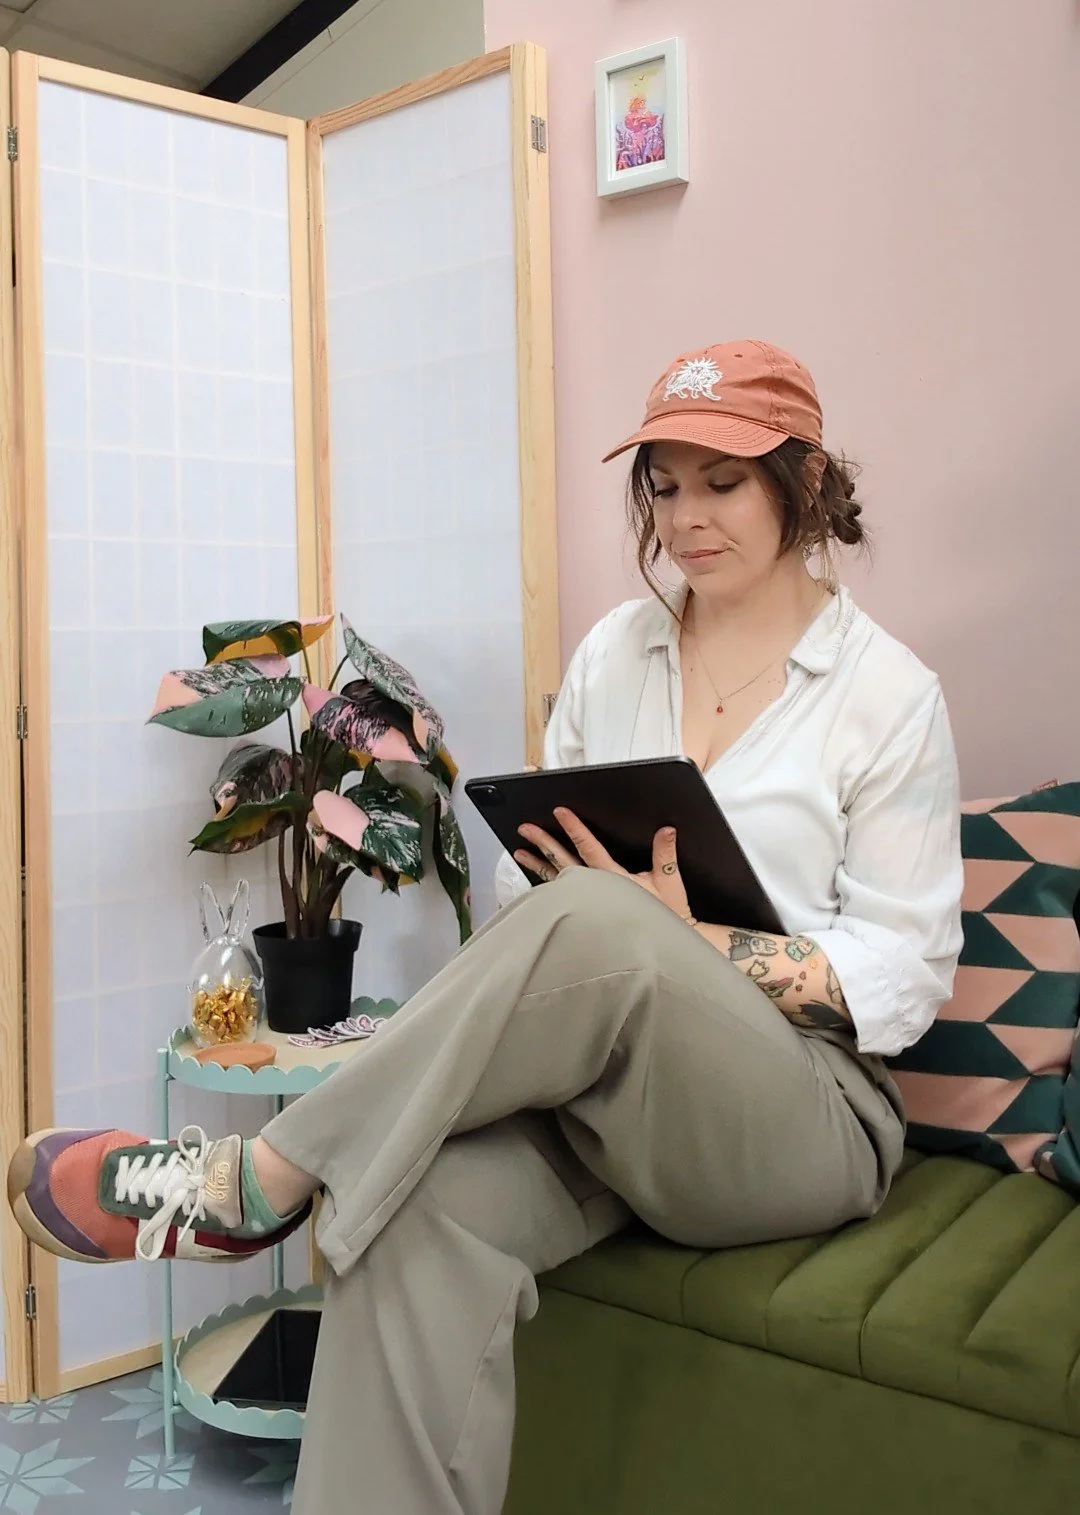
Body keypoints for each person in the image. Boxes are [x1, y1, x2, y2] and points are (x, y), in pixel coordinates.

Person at [8, 340, 964, 1515]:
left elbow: (908, 979)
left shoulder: (889, 694)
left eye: (722, 481)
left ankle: (260, 1176)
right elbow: (528, 909)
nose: (687, 517)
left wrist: (692, 943)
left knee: (606, 921)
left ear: (803, 485)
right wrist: (584, 898)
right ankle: (312, 1196)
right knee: (403, 1212)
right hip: (614, 1102)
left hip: (804, 1121)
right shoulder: (619, 652)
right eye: (664, 485)